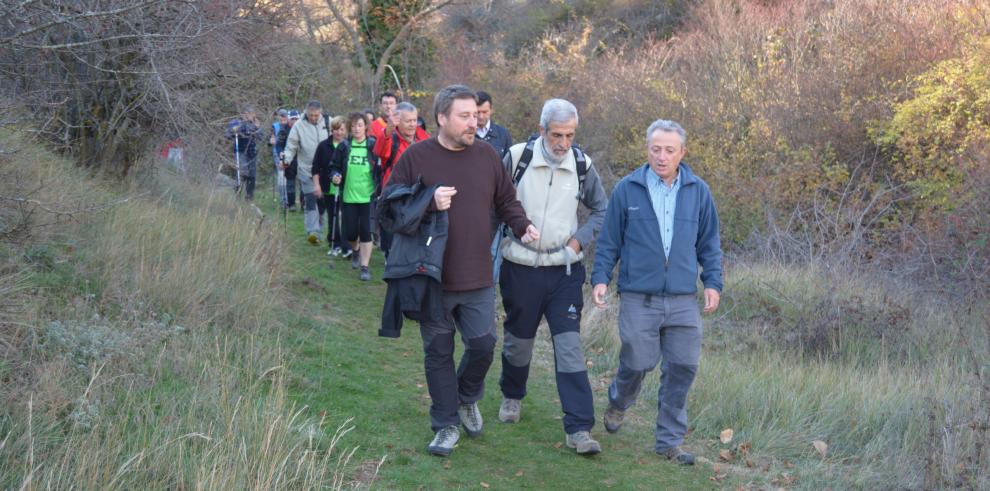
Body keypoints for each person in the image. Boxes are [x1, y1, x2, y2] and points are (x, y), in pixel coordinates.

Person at [386, 84, 540, 457]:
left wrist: (522, 226)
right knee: (438, 351)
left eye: (476, 115)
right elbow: (389, 208)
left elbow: (506, 200)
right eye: (465, 116)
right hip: (431, 276)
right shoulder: (416, 157)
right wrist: (427, 201)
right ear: (442, 118)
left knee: (483, 344)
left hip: (477, 276)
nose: (474, 122)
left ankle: (467, 396)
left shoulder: (487, 156)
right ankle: (445, 425)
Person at [591, 119, 723, 466]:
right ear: (647, 149)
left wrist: (712, 283)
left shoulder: (698, 191)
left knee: (683, 367)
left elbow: (709, 243)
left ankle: (669, 441)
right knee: (638, 360)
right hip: (639, 296)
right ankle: (619, 401)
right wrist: (601, 278)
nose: (661, 156)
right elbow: (609, 241)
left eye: (669, 150)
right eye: (655, 149)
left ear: (682, 153)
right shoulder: (627, 189)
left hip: (682, 299)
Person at [495, 99, 608, 455]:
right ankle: (512, 395)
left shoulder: (582, 164)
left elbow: (601, 209)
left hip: (564, 271)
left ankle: (579, 429)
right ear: (542, 130)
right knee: (518, 340)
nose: (563, 143)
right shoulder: (515, 158)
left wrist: (579, 241)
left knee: (570, 348)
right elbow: (494, 203)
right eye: (557, 135)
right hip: (520, 267)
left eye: (570, 135)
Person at [373, 101, 430, 258]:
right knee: (393, 246)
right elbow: (379, 150)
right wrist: (389, 129)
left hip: (418, 199)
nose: (413, 124)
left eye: (414, 120)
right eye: (408, 121)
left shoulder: (423, 138)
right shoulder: (391, 139)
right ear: (399, 122)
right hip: (394, 199)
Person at [328, 112, 379, 281]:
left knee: (366, 232)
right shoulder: (344, 146)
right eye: (354, 125)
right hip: (348, 196)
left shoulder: (372, 145)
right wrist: (335, 176)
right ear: (350, 128)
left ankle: (365, 267)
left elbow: (379, 167)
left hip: (368, 196)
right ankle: (355, 250)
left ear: (365, 127)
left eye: (360, 125)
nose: (356, 128)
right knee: (350, 234)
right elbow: (333, 167)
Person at [283, 100, 330, 243]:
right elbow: (291, 146)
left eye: (316, 115)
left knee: (322, 201)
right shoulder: (298, 125)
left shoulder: (328, 122)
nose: (314, 118)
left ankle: (320, 229)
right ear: (306, 112)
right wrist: (286, 160)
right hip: (306, 169)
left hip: (325, 171)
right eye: (311, 115)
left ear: (320, 112)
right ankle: (313, 231)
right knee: (310, 199)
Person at [312, 116, 352, 258]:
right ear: (331, 130)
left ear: (346, 130)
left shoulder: (350, 146)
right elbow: (315, 167)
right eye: (335, 129)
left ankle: (347, 246)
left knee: (346, 217)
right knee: (333, 216)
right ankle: (334, 244)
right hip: (329, 187)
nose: (338, 132)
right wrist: (317, 185)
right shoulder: (323, 146)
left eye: (341, 129)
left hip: (347, 188)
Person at [225, 106, 264, 201]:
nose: (249, 115)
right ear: (243, 114)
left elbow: (261, 136)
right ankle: (237, 194)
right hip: (240, 151)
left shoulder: (256, 124)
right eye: (247, 113)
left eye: (251, 113)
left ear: (254, 114)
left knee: (252, 175)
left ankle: (249, 197)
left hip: (252, 152)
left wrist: (256, 129)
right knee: (242, 173)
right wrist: (234, 130)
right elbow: (227, 134)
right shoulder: (236, 122)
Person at [475, 91, 513, 158]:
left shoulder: (503, 134)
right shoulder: (466, 133)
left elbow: (508, 165)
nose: (481, 116)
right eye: (478, 112)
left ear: (491, 110)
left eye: (484, 112)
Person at [277, 110, 300, 211]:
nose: (294, 121)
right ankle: (291, 204)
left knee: (304, 181)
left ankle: (304, 204)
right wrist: (281, 154)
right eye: (292, 119)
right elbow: (279, 145)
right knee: (290, 182)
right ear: (289, 119)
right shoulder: (283, 130)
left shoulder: (303, 129)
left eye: (296, 119)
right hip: (289, 159)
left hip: (302, 159)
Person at [270, 109, 289, 207]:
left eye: (284, 117)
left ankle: (289, 199)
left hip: (290, 153)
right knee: (282, 176)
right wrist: (271, 141)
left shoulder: (290, 125)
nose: (282, 119)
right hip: (278, 154)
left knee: (288, 177)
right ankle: (283, 200)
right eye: (281, 117)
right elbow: (271, 139)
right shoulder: (275, 126)